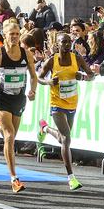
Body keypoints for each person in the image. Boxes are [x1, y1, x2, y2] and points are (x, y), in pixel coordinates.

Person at [0, 20, 38, 193]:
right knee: (9, 136)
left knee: (11, 135)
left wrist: (32, 90)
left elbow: (33, 76)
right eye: (11, 34)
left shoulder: (27, 54)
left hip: (18, 99)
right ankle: (14, 178)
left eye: (17, 34)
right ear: (4, 36)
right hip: (2, 98)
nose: (15, 37)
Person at [37, 32, 94, 190]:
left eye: (69, 42)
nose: (67, 45)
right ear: (58, 44)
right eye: (64, 42)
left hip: (72, 103)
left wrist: (82, 77)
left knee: (63, 139)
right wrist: (48, 81)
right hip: (57, 103)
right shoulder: (52, 60)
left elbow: (91, 75)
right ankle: (71, 177)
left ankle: (45, 128)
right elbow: (39, 78)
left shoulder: (77, 59)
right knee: (67, 139)